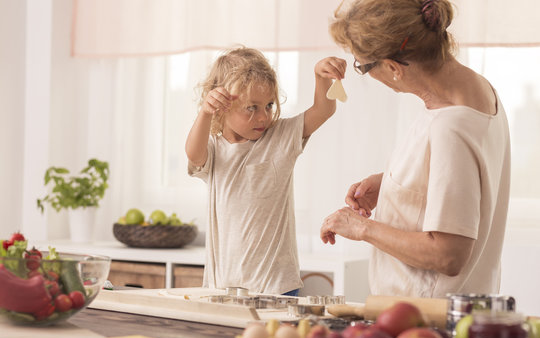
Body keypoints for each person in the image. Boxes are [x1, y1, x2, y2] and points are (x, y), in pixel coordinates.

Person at [320, 0, 510, 298]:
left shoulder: (451, 126)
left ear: (394, 67)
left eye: (363, 66)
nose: (365, 75)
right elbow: (467, 185)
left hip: (426, 322)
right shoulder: (479, 91)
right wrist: (391, 187)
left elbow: (448, 255)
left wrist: (361, 228)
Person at [186, 47, 346, 296]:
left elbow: (324, 110)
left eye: (269, 105)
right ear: (222, 107)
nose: (263, 117)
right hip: (224, 286)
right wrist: (205, 113)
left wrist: (320, 77)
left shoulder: (281, 137)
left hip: (277, 284)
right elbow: (193, 154)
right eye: (251, 108)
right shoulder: (215, 149)